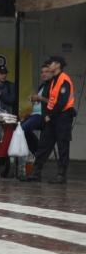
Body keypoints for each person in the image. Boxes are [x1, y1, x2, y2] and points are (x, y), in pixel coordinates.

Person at [26, 55, 75, 183]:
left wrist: (50, 115)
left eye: (51, 64)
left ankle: (61, 175)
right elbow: (51, 101)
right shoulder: (53, 81)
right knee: (44, 144)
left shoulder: (64, 80)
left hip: (63, 117)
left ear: (58, 65)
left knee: (62, 146)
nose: (49, 66)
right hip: (53, 118)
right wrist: (47, 114)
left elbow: (61, 103)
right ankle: (36, 173)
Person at [23, 62, 52, 151]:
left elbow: (54, 103)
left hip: (43, 116)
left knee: (22, 129)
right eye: (42, 72)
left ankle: (38, 152)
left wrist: (40, 98)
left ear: (52, 73)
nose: (43, 74)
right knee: (17, 128)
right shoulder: (43, 85)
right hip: (35, 114)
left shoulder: (53, 86)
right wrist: (33, 99)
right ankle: (37, 152)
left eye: (46, 72)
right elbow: (38, 102)